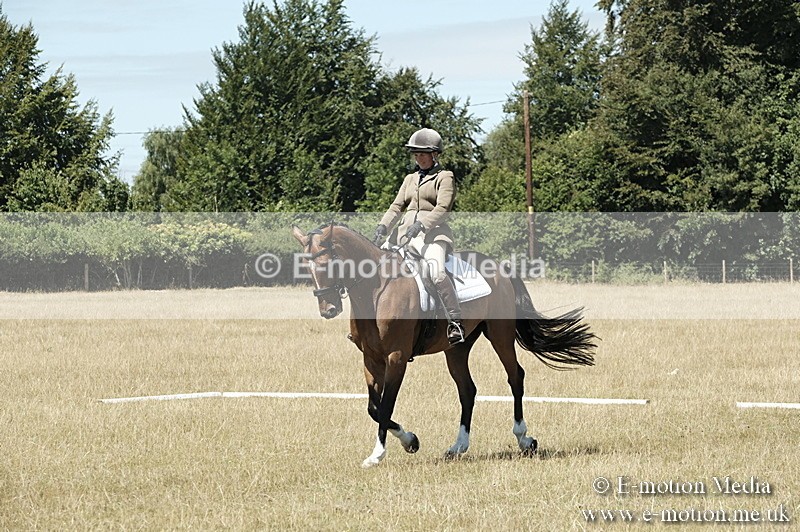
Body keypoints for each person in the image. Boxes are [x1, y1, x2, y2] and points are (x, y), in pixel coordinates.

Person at [373, 128, 465, 345]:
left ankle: (455, 323)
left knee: (437, 272)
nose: (418, 158)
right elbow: (397, 206)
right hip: (403, 235)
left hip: (432, 236)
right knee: (374, 268)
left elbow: (443, 208)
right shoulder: (410, 178)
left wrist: (422, 224)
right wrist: (383, 226)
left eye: (422, 154)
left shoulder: (445, 177)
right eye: (415, 154)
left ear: (434, 154)